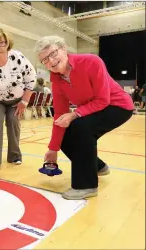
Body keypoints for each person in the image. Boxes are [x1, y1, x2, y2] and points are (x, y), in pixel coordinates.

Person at [35, 36, 134, 200]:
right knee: (66, 133)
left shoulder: (92, 62)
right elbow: (59, 115)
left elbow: (103, 100)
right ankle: (98, 166)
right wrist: (53, 148)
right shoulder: (56, 80)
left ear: (64, 49)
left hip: (119, 106)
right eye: (44, 59)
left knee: (81, 126)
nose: (50, 61)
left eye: (53, 53)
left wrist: (74, 114)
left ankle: (86, 185)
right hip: (94, 108)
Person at [0, 27, 36, 171]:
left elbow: (31, 79)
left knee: (13, 121)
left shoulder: (18, 58)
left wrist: (24, 101)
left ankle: (14, 155)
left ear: (7, 43)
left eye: (1, 43)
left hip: (17, 99)